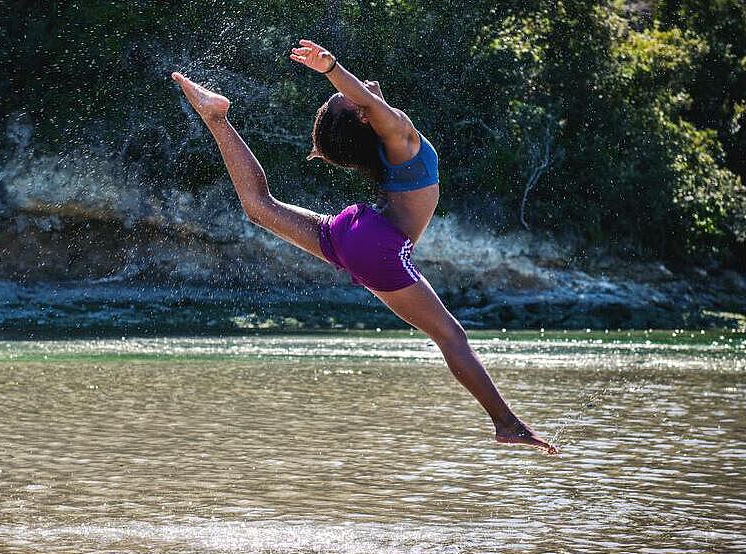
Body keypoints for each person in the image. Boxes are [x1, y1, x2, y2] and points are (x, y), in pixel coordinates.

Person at [171, 39, 557, 454]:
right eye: (347, 96)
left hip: (357, 228)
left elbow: (361, 108)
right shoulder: (398, 134)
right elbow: (367, 103)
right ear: (361, 112)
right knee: (451, 336)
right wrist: (331, 69)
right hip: (376, 242)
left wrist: (337, 84)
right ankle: (507, 423)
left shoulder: (389, 148)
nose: (357, 88)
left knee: (261, 207)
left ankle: (215, 119)